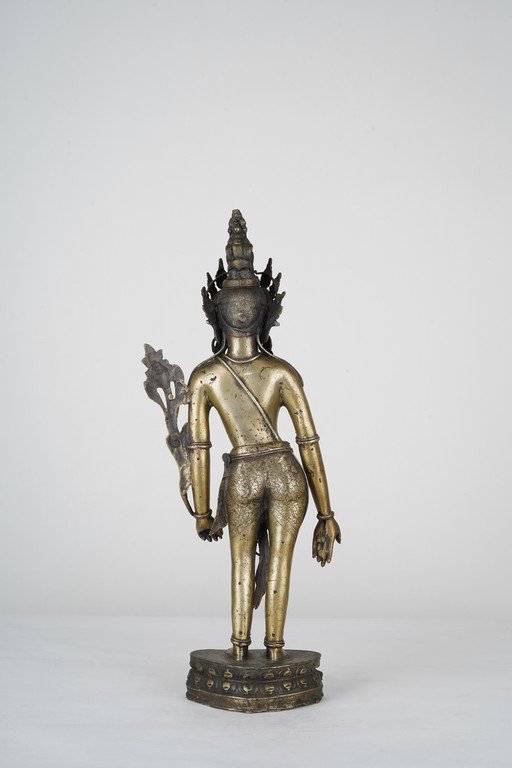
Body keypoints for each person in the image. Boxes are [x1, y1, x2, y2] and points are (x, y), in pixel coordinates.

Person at [188, 210, 341, 661]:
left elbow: (199, 450)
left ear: (215, 314)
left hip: (243, 475)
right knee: (280, 564)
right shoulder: (281, 372)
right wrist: (327, 513)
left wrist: (202, 511)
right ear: (266, 313)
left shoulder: (205, 377)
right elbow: (309, 443)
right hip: (288, 474)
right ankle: (275, 652)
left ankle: (238, 651)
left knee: (241, 562)